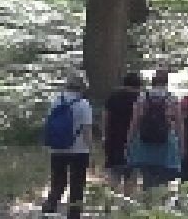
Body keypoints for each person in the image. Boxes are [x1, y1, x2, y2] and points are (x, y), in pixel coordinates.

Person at [41, 71, 96, 217]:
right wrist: (92, 151)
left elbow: (49, 125)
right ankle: (73, 215)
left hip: (57, 149)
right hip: (79, 151)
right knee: (77, 185)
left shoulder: (56, 101)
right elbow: (87, 131)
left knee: (58, 182)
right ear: (83, 87)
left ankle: (49, 209)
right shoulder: (84, 104)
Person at [126, 73, 181, 195]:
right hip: (165, 140)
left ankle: (147, 203)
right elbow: (178, 122)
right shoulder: (172, 98)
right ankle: (159, 206)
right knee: (163, 176)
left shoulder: (142, 97)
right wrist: (182, 142)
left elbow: (135, 121)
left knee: (147, 177)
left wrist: (129, 140)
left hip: (145, 140)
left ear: (152, 82)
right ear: (166, 83)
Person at [101, 71, 147, 191]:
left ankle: (109, 204)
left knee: (113, 175)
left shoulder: (113, 97)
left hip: (113, 140)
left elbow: (105, 118)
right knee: (131, 177)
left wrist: (104, 136)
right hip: (134, 142)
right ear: (139, 85)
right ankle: (127, 206)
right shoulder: (141, 99)